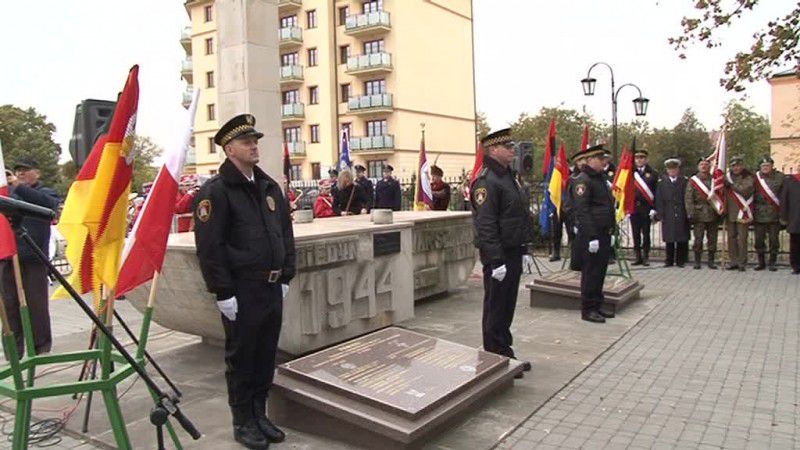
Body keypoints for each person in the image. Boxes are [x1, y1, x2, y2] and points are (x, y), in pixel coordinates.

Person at [193, 114, 295, 449]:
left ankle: (260, 413)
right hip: (242, 289)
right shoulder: (217, 192)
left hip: (271, 286)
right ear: (229, 149)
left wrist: (286, 274)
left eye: (255, 140)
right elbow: (210, 247)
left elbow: (285, 233)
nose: (254, 146)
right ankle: (243, 420)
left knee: (266, 353)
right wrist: (223, 291)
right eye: (247, 142)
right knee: (242, 356)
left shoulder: (267, 187)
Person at [471, 128, 534, 376]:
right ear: (493, 149)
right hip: (499, 254)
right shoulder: (487, 181)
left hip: (513, 250)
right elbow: (485, 224)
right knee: (496, 306)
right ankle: (494, 355)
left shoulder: (508, 176)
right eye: (508, 147)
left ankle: (504, 350)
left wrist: (524, 247)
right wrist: (496, 259)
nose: (512, 151)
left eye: (512, 147)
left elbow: (518, 215)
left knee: (507, 304)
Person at [0, 159, 60, 356]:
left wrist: (18, 186)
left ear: (38, 173)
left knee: (37, 306)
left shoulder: (45, 193)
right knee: (9, 305)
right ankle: (13, 351)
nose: (20, 174)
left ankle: (40, 348)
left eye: (25, 171)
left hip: (34, 258)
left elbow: (48, 206)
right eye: (17, 171)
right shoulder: (8, 195)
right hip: (9, 257)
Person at [572, 145, 615, 324]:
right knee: (590, 273)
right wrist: (591, 236)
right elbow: (582, 211)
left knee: (600, 272)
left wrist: (610, 230)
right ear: (590, 160)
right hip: (592, 235)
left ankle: (597, 305)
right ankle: (588, 309)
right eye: (600, 159)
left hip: (603, 232)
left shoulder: (600, 178)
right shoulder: (583, 180)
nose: (604, 162)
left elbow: (606, 206)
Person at [686, 158, 721, 269]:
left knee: (712, 239)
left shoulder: (715, 180)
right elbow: (688, 199)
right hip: (699, 214)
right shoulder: (693, 181)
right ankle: (697, 261)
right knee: (698, 239)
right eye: (701, 164)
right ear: (698, 166)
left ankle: (711, 261)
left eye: (706, 164)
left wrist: (721, 210)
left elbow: (720, 195)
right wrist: (691, 213)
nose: (704, 166)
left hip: (713, 212)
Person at [655, 157, 690, 267]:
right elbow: (659, 199)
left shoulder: (684, 181)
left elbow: (687, 197)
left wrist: (688, 213)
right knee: (669, 237)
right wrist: (660, 213)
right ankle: (669, 260)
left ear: (678, 170)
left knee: (682, 236)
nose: (672, 171)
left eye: (674, 169)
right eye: (670, 169)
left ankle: (681, 260)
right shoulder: (662, 183)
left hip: (681, 211)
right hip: (668, 211)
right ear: (667, 170)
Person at [752, 156, 784, 271]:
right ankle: (761, 262)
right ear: (760, 167)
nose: (765, 168)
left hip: (774, 213)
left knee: (774, 240)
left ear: (772, 166)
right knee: (759, 240)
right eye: (763, 166)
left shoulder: (780, 177)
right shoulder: (755, 178)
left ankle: (772, 262)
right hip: (759, 213)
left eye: (767, 166)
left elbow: (784, 194)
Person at [724, 156, 755, 271]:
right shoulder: (727, 177)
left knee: (742, 238)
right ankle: (733, 261)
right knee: (731, 238)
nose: (735, 168)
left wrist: (731, 185)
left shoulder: (748, 177)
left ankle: (742, 262)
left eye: (738, 166)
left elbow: (745, 190)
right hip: (730, 212)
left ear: (742, 166)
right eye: (733, 166)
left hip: (743, 212)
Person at [630, 149, 658, 266]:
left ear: (646, 159)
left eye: (642, 158)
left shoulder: (653, 173)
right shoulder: (630, 172)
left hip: (646, 208)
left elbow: (656, 191)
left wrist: (654, 208)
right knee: (635, 233)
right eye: (637, 158)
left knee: (646, 233)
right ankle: (638, 256)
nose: (639, 160)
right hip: (634, 208)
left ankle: (646, 256)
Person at [563, 152, 588, 271]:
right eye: (579, 161)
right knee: (576, 247)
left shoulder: (590, 177)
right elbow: (569, 201)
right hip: (575, 219)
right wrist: (573, 220)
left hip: (588, 218)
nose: (582, 163)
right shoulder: (573, 179)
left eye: (584, 160)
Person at [781, 169, 800, 274]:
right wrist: (784, 216)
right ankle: (796, 266)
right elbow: (784, 199)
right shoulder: (790, 181)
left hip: (794, 218)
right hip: (795, 217)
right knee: (795, 244)